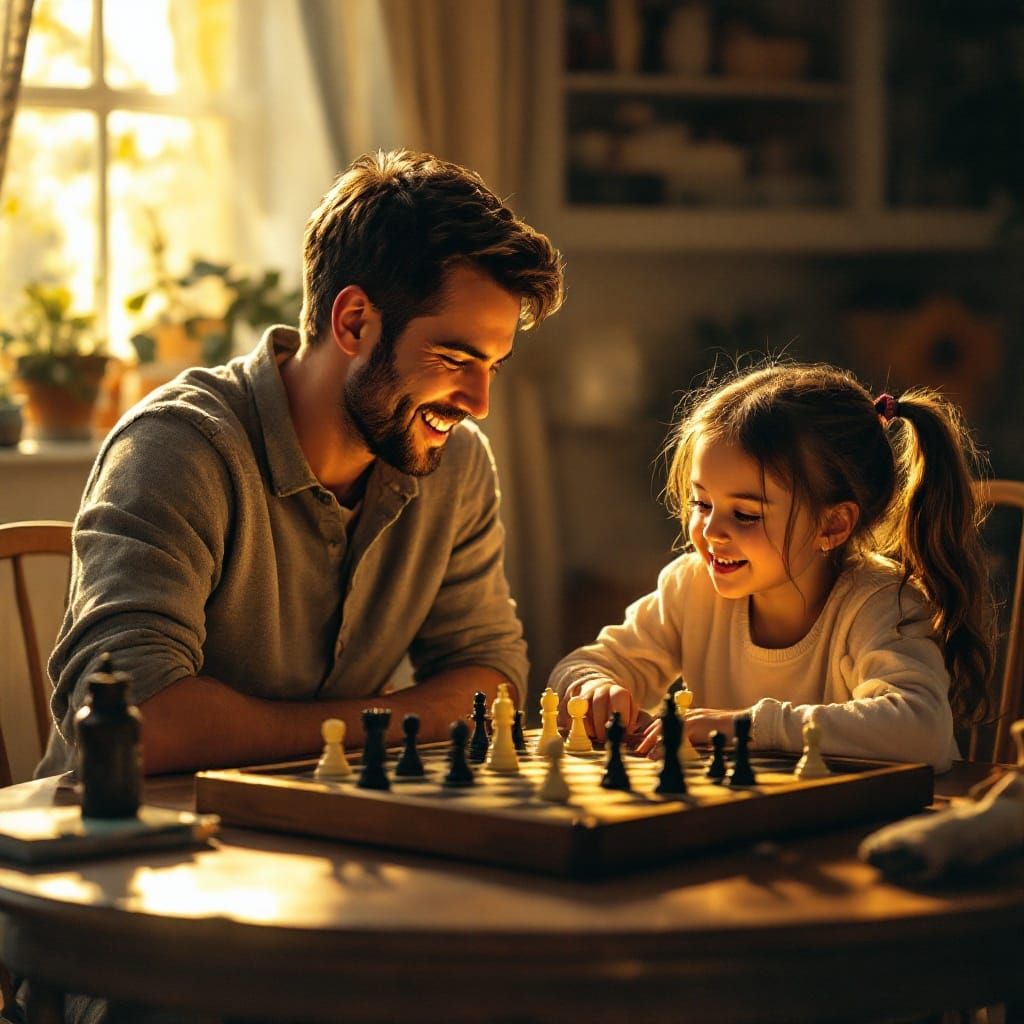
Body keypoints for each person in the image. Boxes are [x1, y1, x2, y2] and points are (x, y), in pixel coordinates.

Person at [37, 149, 564, 778]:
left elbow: (490, 679)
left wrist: (352, 734)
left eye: (492, 367)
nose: (479, 404)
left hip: (312, 839)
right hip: (132, 845)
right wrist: (372, 725)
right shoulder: (177, 448)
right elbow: (142, 722)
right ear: (354, 321)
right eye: (455, 360)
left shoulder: (455, 465)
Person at [549, 361, 995, 772]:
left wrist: (750, 727)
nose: (710, 532)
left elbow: (924, 731)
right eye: (701, 503)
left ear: (833, 524)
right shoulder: (690, 588)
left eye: (745, 514)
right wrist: (593, 687)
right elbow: (581, 666)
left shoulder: (880, 602)